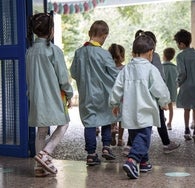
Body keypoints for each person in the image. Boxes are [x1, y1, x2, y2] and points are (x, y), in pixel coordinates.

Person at [109, 35, 170, 179]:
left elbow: (117, 87)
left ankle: (144, 162)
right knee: (144, 138)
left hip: (130, 111)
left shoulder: (126, 69)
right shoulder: (151, 69)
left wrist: (114, 102)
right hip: (145, 111)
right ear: (151, 53)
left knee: (136, 136)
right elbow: (159, 88)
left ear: (133, 52)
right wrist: (164, 102)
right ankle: (133, 160)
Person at [26, 13, 73, 177]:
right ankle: (46, 153)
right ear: (51, 30)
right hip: (54, 96)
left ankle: (39, 168)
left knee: (41, 130)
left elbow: (28, 77)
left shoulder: (30, 52)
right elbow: (63, 77)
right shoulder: (54, 51)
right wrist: (69, 93)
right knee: (65, 123)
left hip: (37, 97)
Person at [70, 20, 119, 166]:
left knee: (90, 123)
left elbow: (73, 73)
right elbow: (114, 74)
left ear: (90, 34)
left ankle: (91, 155)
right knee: (107, 118)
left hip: (86, 94)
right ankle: (106, 147)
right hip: (104, 93)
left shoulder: (79, 52)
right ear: (104, 36)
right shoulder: (104, 54)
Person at [133, 30, 180, 153]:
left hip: (138, 95)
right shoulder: (155, 56)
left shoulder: (132, 63)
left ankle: (130, 146)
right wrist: (164, 101)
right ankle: (166, 143)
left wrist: (115, 101)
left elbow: (120, 84)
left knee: (138, 121)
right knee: (159, 120)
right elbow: (160, 79)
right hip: (153, 95)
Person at [174, 29, 195, 143]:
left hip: (186, 86)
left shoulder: (180, 56)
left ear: (181, 44)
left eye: (177, 43)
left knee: (186, 109)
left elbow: (182, 73)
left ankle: (186, 130)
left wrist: (178, 82)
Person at [108, 43, 125, 146]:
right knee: (122, 118)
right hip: (122, 97)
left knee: (112, 116)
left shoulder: (108, 68)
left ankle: (112, 133)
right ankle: (120, 139)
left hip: (110, 95)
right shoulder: (125, 68)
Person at [162, 47, 177, 130]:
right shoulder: (175, 67)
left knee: (160, 105)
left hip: (163, 91)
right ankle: (170, 123)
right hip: (172, 90)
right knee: (171, 107)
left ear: (164, 56)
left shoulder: (161, 67)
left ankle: (163, 118)